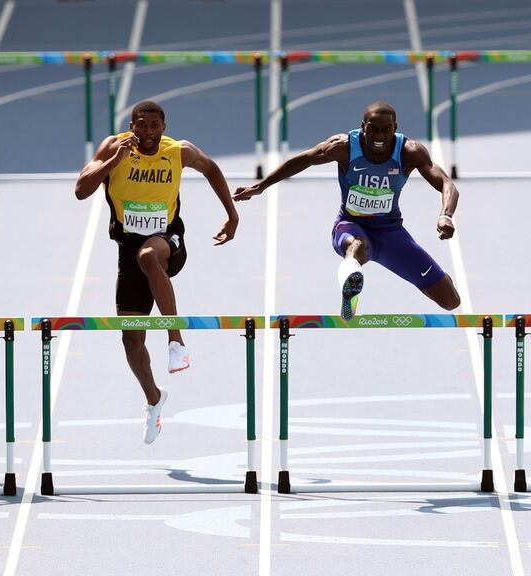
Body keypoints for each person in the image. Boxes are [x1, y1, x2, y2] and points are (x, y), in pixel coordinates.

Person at [74, 100, 239, 444]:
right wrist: (113, 161)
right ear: (131, 125)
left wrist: (232, 214)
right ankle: (153, 398)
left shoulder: (178, 151)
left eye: (154, 126)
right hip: (127, 249)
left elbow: (211, 169)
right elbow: (81, 190)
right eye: (141, 125)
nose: (147, 132)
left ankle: (175, 340)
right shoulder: (113, 146)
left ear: (163, 126)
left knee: (149, 255)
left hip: (168, 243)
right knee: (131, 338)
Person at [233, 100, 460, 320]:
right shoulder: (344, 147)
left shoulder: (409, 152)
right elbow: (305, 160)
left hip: (391, 234)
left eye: (386, 130)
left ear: (395, 129)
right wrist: (260, 186)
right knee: (356, 246)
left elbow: (447, 184)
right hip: (351, 226)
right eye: (373, 129)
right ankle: (350, 289)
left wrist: (445, 215)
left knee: (450, 300)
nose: (379, 136)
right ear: (363, 127)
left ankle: (432, 277)